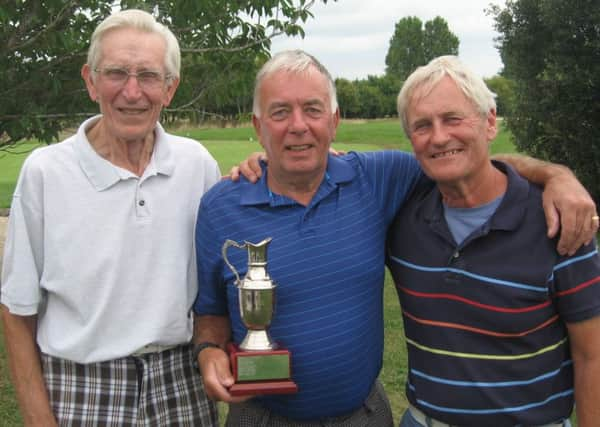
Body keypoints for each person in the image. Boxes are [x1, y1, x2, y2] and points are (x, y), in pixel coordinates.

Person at [192, 50, 597, 426]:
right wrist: (209, 350)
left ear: (334, 121)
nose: (298, 125)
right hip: (261, 417)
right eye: (280, 112)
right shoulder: (220, 207)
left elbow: (468, 162)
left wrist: (556, 175)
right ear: (259, 127)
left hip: (364, 414)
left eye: (312, 109)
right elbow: (210, 315)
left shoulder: (380, 179)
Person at [1, 9, 219, 426]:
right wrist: (37, 418)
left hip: (180, 384)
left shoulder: (197, 166)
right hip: (80, 387)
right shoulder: (45, 172)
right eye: (117, 73)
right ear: (90, 81)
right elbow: (16, 310)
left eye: (149, 76)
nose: (132, 92)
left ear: (170, 89)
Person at [387, 55, 600, 427]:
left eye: (453, 119)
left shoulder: (560, 222)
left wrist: (557, 175)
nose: (439, 137)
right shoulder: (401, 216)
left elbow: (591, 355)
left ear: (489, 122)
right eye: (422, 125)